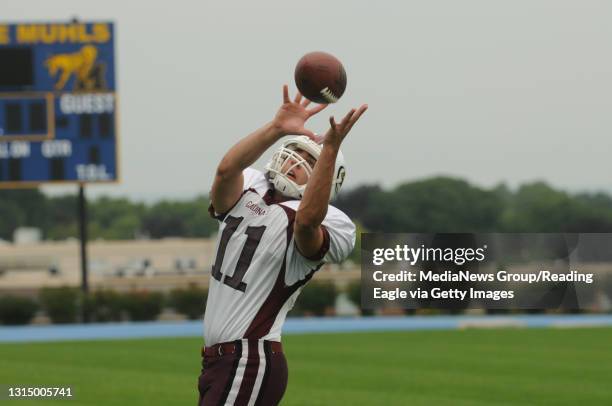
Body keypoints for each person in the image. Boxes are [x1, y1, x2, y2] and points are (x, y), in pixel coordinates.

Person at [197, 84, 367, 406]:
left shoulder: (329, 221)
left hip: (249, 359)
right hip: (219, 360)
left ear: (327, 178)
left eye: (309, 160)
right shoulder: (252, 185)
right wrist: (276, 128)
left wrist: (329, 149)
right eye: (296, 151)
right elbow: (225, 170)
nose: (296, 161)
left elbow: (306, 224)